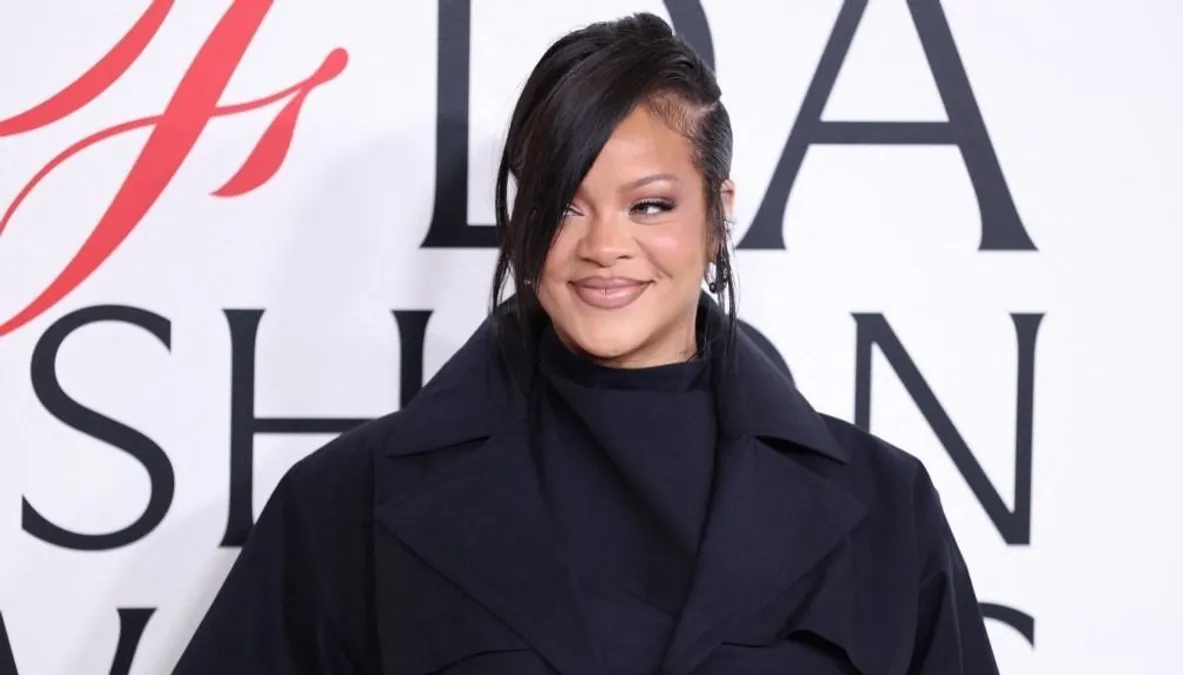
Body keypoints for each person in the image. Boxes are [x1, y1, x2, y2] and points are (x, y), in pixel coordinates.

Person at [171, 12, 1000, 675]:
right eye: (564, 204)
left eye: (649, 205)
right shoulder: (346, 502)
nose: (604, 245)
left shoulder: (886, 507)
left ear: (718, 215)